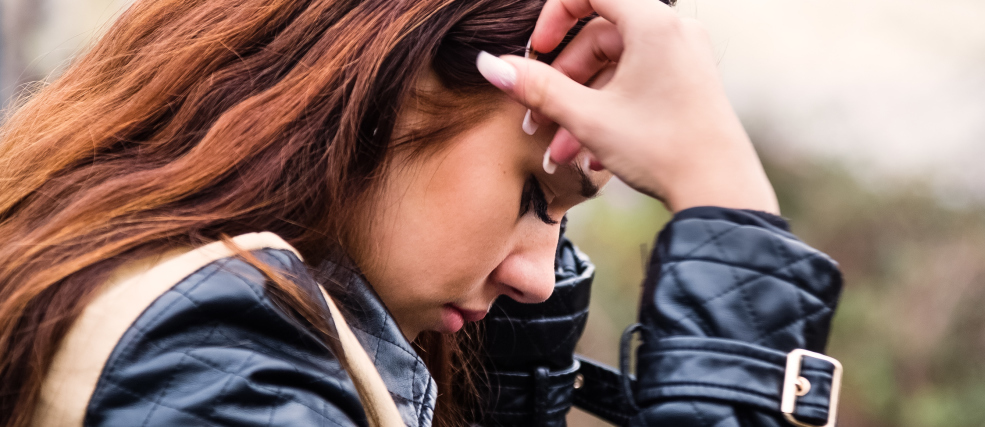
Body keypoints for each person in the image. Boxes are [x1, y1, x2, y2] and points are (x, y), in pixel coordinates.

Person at [0, 0, 844, 425]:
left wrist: (513, 372)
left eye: (560, 218)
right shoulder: (212, 358)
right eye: (529, 195)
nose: (538, 278)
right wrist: (727, 202)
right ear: (388, 90)